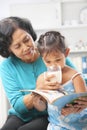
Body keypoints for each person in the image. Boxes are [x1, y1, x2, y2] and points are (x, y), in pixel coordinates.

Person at [0, 16, 86, 130]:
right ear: (9, 49)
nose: (26, 47)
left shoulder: (49, 53)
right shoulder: (7, 66)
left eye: (26, 39)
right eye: (17, 46)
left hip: (48, 113)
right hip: (21, 115)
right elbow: (18, 105)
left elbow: (78, 79)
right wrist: (38, 91)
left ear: (30, 34)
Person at [37, 31, 87, 130]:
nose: (53, 65)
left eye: (58, 60)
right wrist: (36, 99)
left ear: (66, 53)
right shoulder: (42, 79)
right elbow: (41, 108)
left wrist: (73, 109)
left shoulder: (76, 77)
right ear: (42, 59)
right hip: (56, 124)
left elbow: (84, 102)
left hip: (79, 124)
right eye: (48, 61)